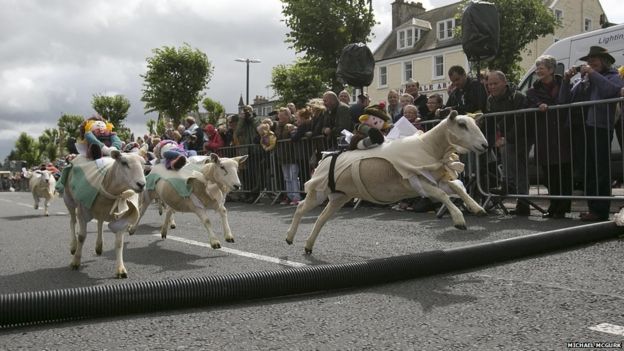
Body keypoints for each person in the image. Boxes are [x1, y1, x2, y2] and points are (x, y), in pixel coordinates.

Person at [559, 46, 624, 221]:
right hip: (581, 128)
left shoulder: (613, 76)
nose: (589, 63)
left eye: (594, 60)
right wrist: (566, 80)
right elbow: (564, 100)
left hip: (600, 127)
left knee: (600, 170)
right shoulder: (583, 80)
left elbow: (612, 91)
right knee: (587, 171)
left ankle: (601, 210)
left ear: (605, 61)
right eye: (588, 61)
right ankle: (592, 208)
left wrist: (593, 75)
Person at [526, 55, 572, 219]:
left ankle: (564, 206)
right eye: (537, 68)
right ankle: (554, 205)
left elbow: (566, 101)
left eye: (541, 68)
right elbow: (531, 104)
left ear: (551, 70)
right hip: (545, 136)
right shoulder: (533, 90)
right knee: (549, 174)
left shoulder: (564, 84)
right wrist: (539, 105)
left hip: (563, 134)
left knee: (564, 172)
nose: (538, 70)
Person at [486, 70, 532, 216]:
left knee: (520, 169)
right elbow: (492, 121)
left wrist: (508, 138)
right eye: (489, 84)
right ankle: (508, 186)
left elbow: (521, 120)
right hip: (505, 139)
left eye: (495, 83)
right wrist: (494, 140)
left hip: (522, 136)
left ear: (504, 82)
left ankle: (523, 202)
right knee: (507, 161)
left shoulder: (517, 97)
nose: (492, 87)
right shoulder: (490, 100)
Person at [275, 107, 301, 205]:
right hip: (282, 155)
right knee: (287, 177)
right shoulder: (278, 126)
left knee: (293, 176)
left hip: (292, 154)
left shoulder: (293, 124)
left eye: (282, 116)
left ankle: (296, 196)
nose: (280, 118)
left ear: (287, 115)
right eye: (279, 116)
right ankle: (289, 196)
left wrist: (293, 129)